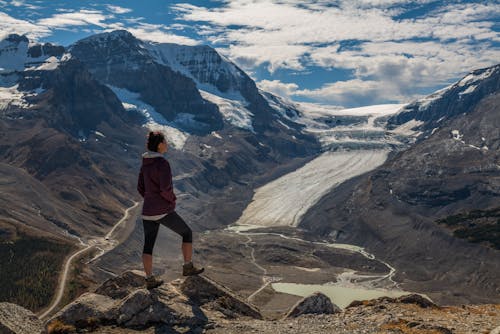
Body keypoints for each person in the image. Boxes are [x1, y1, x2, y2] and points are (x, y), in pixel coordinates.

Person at [137, 131, 204, 289]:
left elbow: (140, 187)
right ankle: (187, 266)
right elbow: (165, 188)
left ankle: (149, 279)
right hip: (162, 210)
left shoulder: (144, 163)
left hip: (148, 211)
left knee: (148, 245)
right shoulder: (162, 163)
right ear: (160, 144)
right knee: (186, 233)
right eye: (165, 142)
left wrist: (149, 199)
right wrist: (171, 200)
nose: (167, 144)